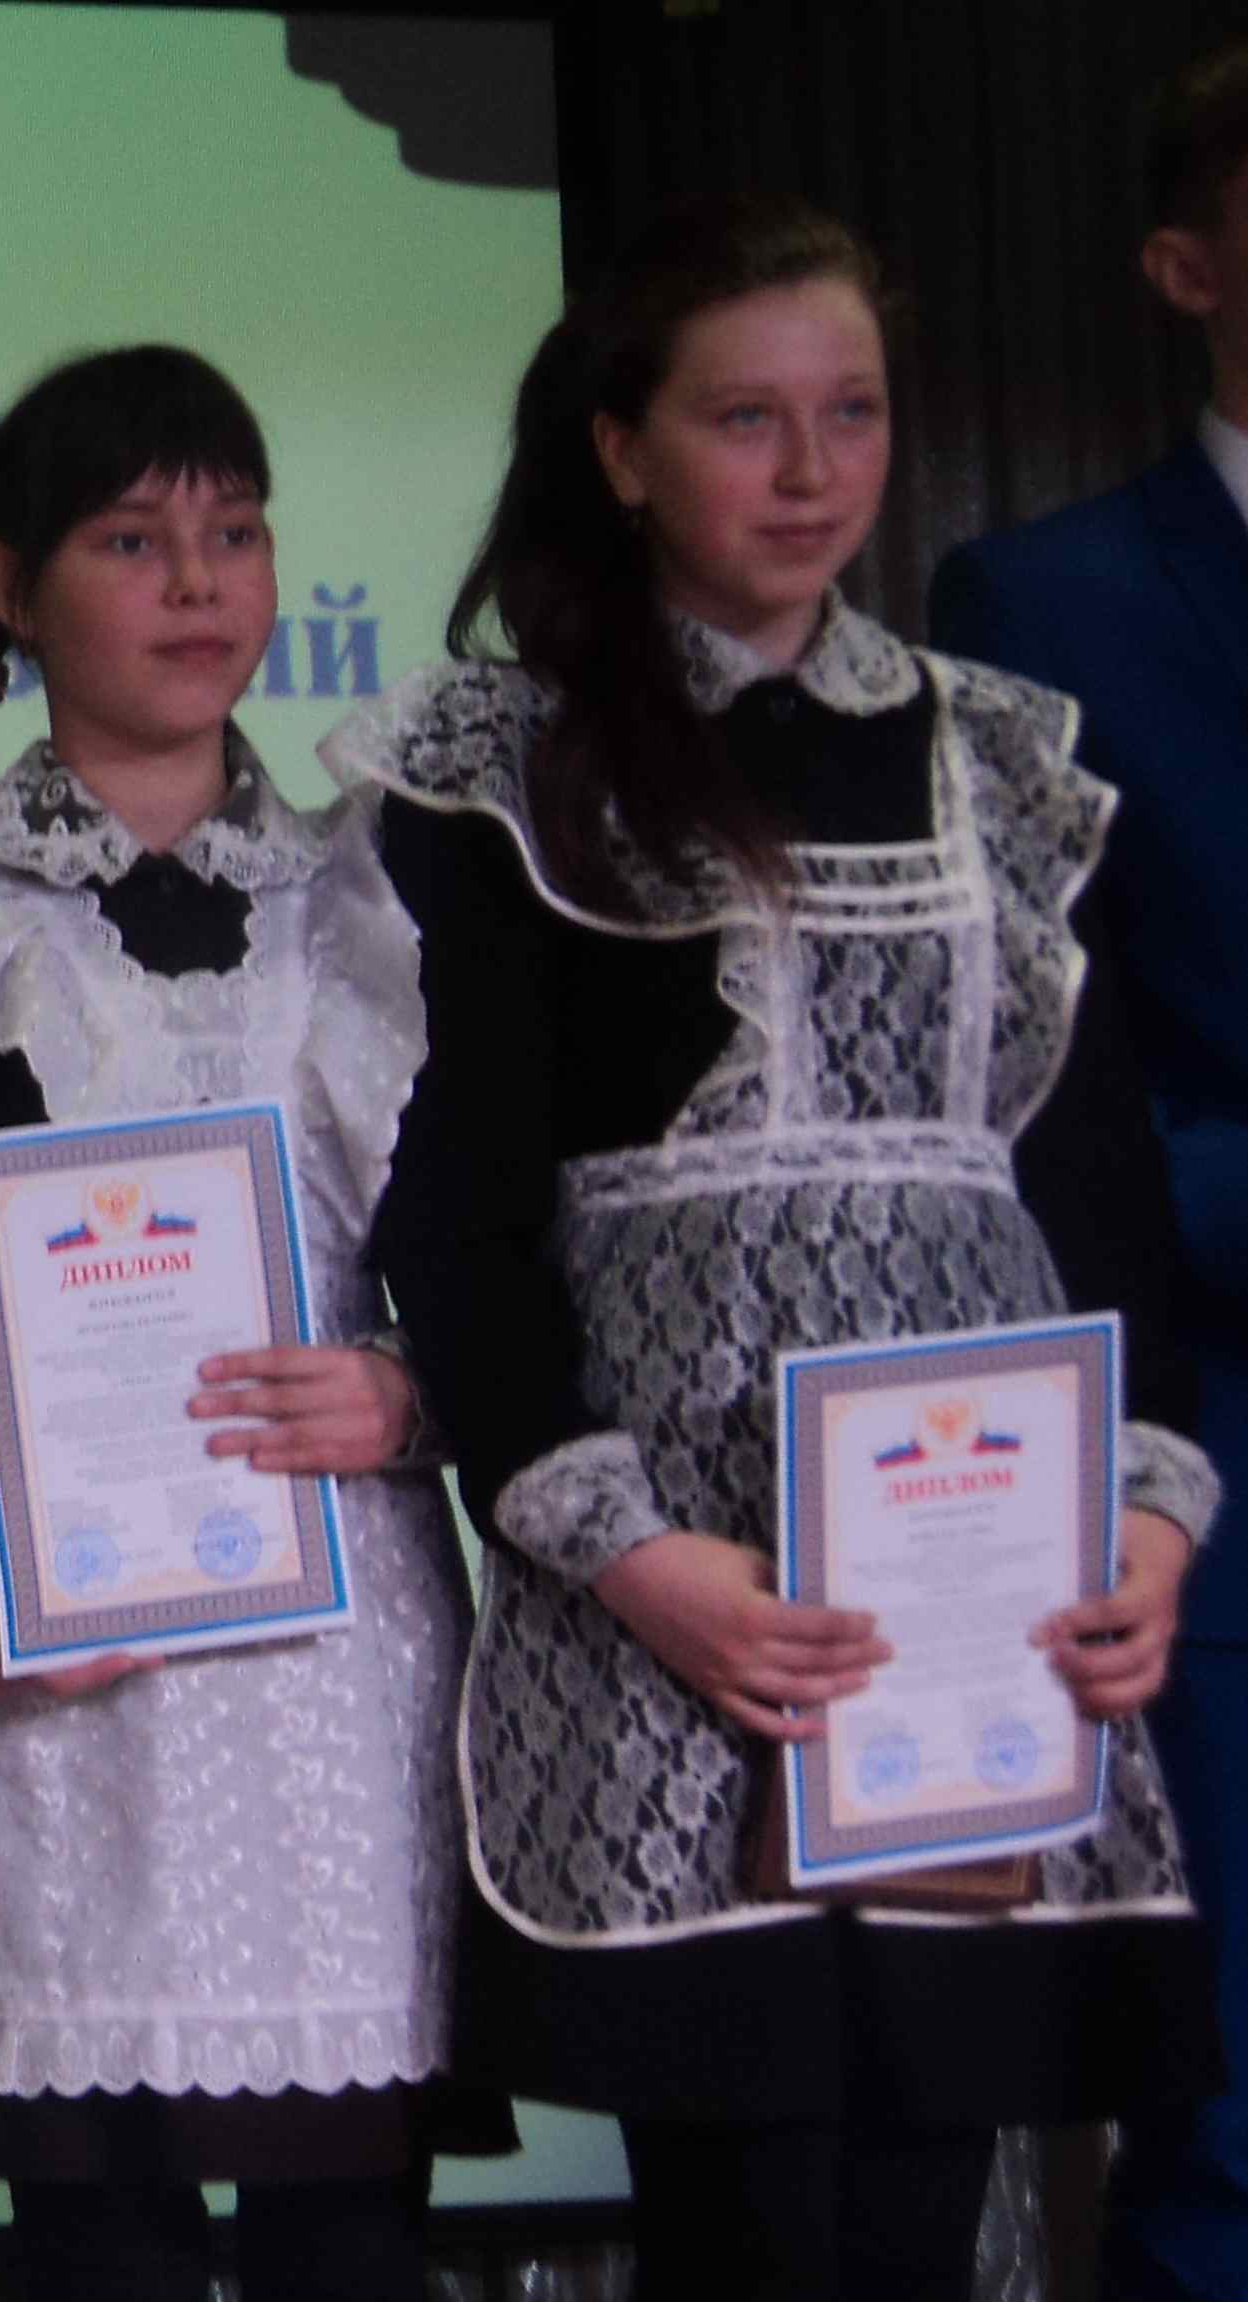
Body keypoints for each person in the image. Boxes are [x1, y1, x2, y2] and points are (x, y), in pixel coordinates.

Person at [321, 192, 1222, 2302]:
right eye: (746, 418)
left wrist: (1144, 1515)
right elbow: (458, 1217)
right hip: (674, 1590)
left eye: (854, 412)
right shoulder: (503, 765)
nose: (812, 471)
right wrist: (631, 1552)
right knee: (746, 2222)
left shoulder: (999, 756)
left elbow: (1095, 1194)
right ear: (620, 447)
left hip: (966, 1581)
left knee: (920, 2202)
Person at [0, 346, 488, 2302]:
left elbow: (507, 1256)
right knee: (95, 2247)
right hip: (44, 1668)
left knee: (351, 2248)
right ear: (8, 586)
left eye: (235, 532)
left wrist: (408, 1395)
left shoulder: (387, 882)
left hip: (341, 1671)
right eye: (130, 539)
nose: (198, 583)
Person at [928, 44, 1248, 2296]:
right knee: (1225, 2137)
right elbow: (1020, 1087)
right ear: (1181, 267)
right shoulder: (1043, 599)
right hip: (1210, 1451)